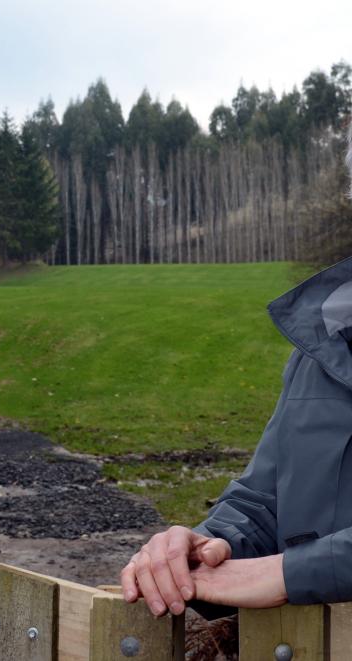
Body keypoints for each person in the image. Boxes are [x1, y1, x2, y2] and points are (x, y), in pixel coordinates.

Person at [120, 129, 352, 618]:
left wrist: (289, 574)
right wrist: (207, 547)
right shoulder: (322, 348)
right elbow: (265, 500)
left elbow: (284, 569)